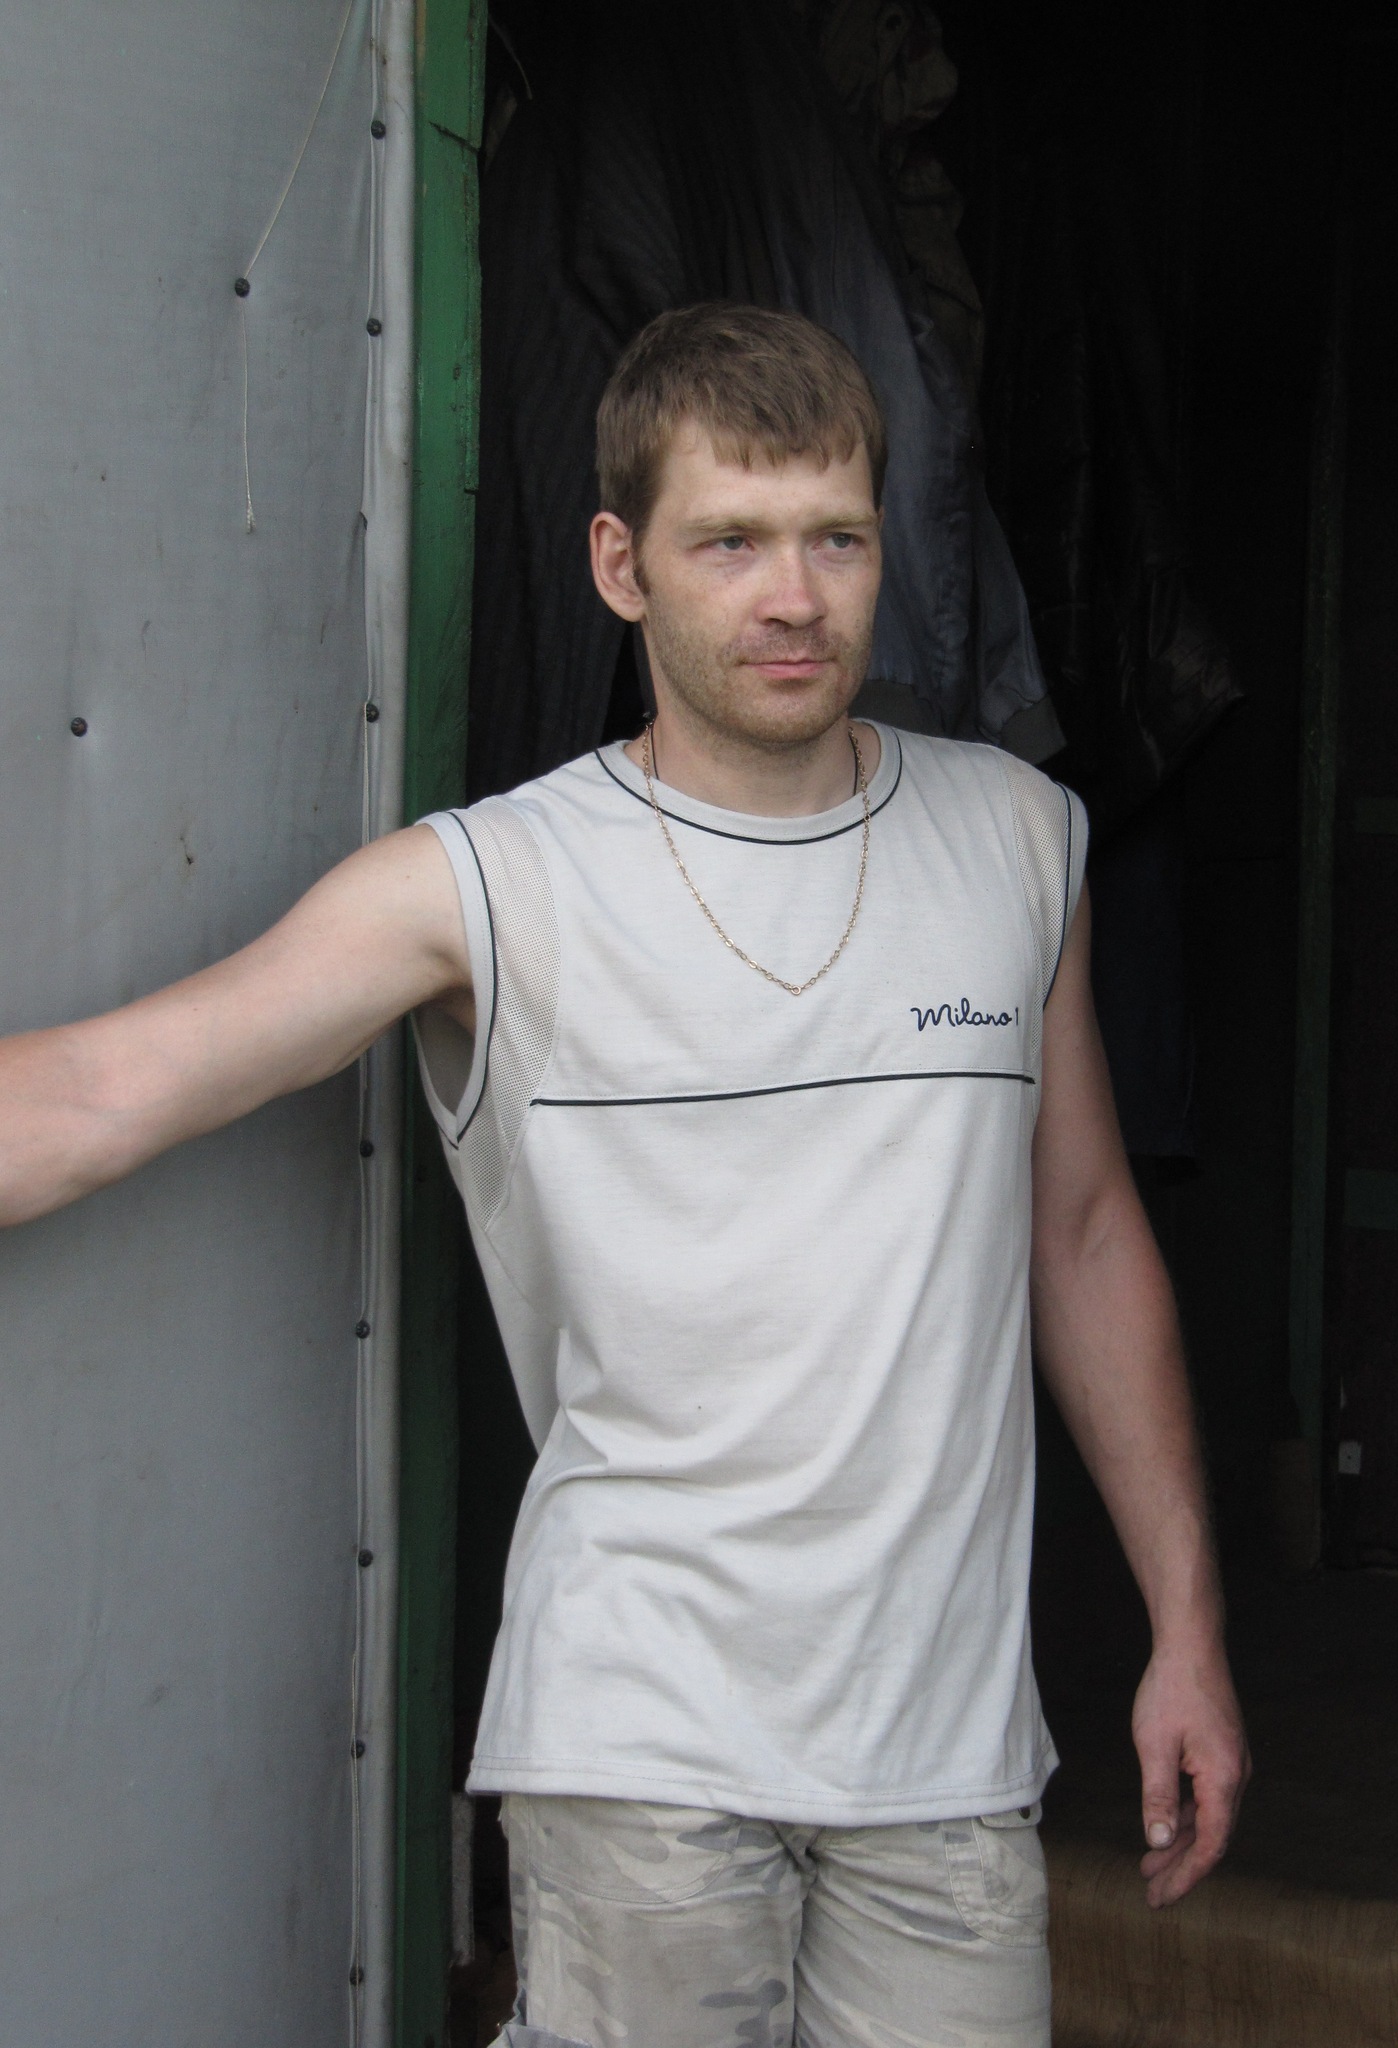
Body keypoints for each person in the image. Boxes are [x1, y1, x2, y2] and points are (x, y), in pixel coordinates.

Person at [0, 303, 1248, 2048]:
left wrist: (1187, 1627)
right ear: (619, 563)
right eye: (729, 541)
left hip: (949, 1758)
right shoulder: (495, 885)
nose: (794, 595)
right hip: (637, 1737)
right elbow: (103, 1091)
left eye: (835, 538)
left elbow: (1090, 1237)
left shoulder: (1019, 839)